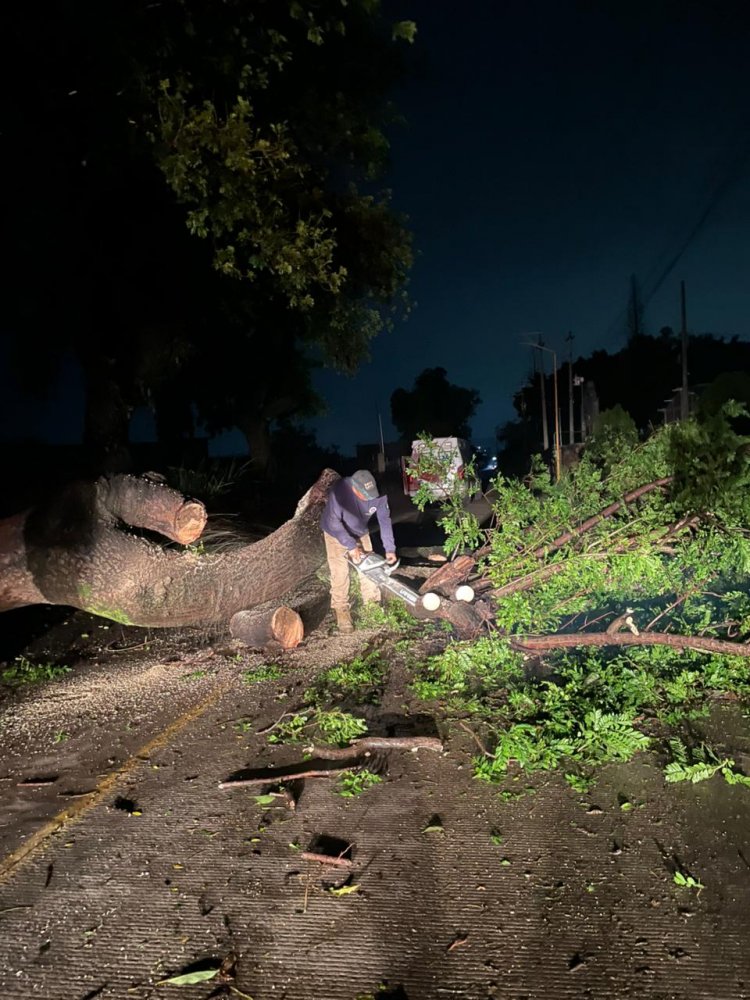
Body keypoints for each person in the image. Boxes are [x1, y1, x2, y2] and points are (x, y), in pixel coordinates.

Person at [320, 469, 397, 634]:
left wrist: (390, 548)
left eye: (372, 495)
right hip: (335, 532)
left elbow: (384, 520)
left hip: (360, 531)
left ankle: (371, 606)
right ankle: (341, 610)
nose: (370, 499)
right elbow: (334, 523)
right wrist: (351, 546)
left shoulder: (379, 495)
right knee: (340, 572)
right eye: (365, 496)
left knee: (371, 567)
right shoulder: (339, 492)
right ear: (354, 489)